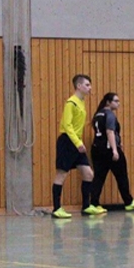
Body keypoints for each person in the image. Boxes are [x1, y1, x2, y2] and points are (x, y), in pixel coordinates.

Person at [51, 74, 106, 219]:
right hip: (68, 142)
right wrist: (77, 142)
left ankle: (86, 206)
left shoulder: (81, 103)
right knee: (61, 174)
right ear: (79, 86)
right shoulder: (71, 103)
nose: (90, 88)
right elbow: (67, 125)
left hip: (77, 142)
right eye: (87, 85)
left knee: (88, 174)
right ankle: (56, 208)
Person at [90, 92, 134, 213]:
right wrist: (115, 149)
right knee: (122, 176)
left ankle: (93, 203)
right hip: (109, 149)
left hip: (97, 149)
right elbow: (109, 132)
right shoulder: (109, 115)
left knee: (99, 177)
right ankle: (128, 202)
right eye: (116, 101)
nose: (118, 103)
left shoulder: (98, 114)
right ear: (108, 102)